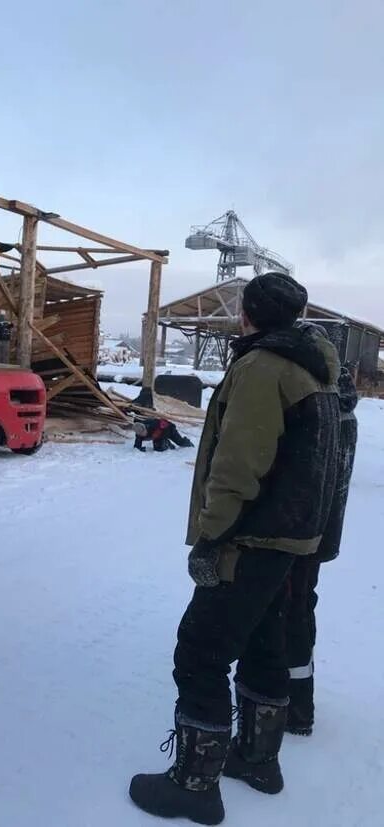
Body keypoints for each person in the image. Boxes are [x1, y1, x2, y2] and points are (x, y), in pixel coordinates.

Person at [129, 273, 340, 825]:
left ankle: (195, 786)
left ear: (249, 314)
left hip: (252, 534)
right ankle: (257, 760)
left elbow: (238, 466)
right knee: (265, 639)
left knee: (200, 648)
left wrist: (212, 536)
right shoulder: (307, 366)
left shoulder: (261, 368)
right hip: (292, 535)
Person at [285, 360, 358, 735]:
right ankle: (295, 694)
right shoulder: (342, 414)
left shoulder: (324, 420)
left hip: (302, 537)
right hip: (318, 537)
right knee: (301, 608)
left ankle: (297, 707)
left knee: (291, 613)